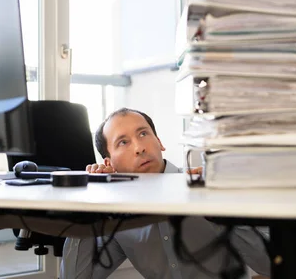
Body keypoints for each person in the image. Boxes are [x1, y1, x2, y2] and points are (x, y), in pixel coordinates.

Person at [60, 108, 271, 279]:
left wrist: (221, 206)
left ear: (159, 143)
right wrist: (86, 207)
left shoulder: (206, 187)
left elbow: (269, 265)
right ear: (109, 163)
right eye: (123, 142)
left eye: (143, 134)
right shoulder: (118, 216)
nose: (139, 148)